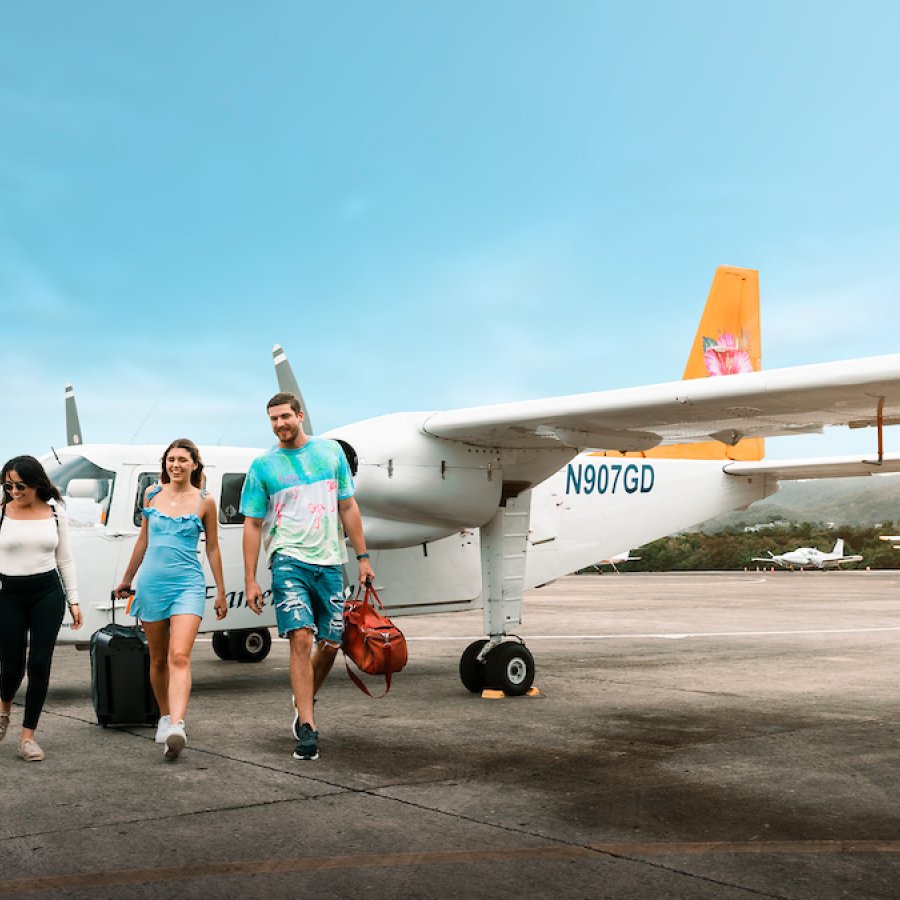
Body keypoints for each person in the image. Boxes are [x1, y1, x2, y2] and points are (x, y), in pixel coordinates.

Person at [241, 392, 374, 761]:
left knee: (330, 642)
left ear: (300, 415)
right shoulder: (263, 467)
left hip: (331, 561)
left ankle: (303, 698)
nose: (280, 424)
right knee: (300, 636)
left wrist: (362, 558)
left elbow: (347, 505)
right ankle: (308, 728)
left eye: (285, 416)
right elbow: (252, 525)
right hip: (288, 560)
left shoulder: (330, 454)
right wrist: (251, 578)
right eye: (273, 419)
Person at [114, 439, 227, 760]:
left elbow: (213, 548)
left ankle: (177, 723)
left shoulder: (205, 501)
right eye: (171, 459)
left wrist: (220, 590)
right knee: (159, 658)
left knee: (180, 655)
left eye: (182, 459)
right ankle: (165, 718)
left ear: (194, 465)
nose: (175, 464)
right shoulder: (152, 495)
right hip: (151, 584)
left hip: (188, 584)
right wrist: (126, 579)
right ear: (165, 464)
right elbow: (143, 541)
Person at [0, 455, 83, 761]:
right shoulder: (1, 513)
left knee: (39, 663)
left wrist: (74, 600)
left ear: (35, 483)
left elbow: (65, 558)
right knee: (11, 668)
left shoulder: (55, 512)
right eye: (7, 485)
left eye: (20, 485)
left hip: (47, 592)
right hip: (7, 594)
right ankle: (4, 707)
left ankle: (27, 737)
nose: (14, 491)